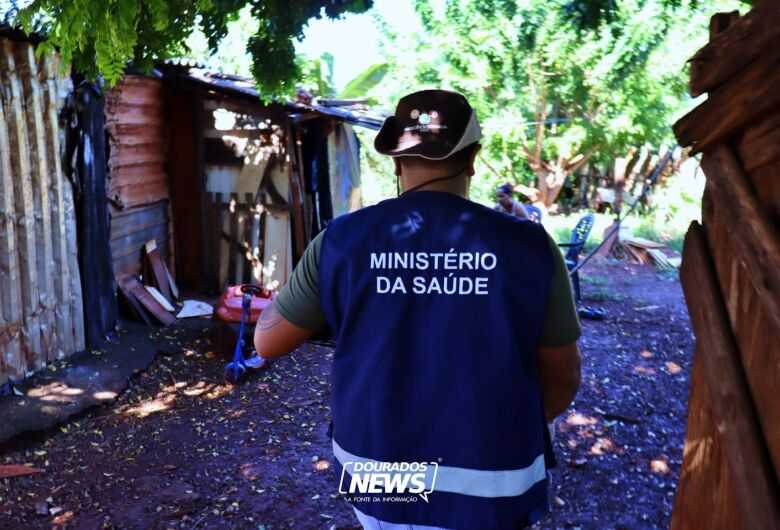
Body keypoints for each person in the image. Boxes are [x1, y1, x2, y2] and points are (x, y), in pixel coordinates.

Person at [254, 89, 582, 529]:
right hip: (495, 477)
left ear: (394, 162)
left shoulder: (341, 241)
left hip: (379, 476)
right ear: (472, 158)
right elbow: (563, 376)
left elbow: (267, 342)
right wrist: (498, 425)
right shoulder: (531, 246)